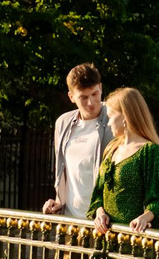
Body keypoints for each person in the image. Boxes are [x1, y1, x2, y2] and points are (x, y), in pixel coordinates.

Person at [87, 88, 159, 233]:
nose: (108, 123)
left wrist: (144, 218)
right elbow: (98, 194)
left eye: (110, 116)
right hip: (105, 239)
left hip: (132, 241)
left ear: (125, 116)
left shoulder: (149, 151)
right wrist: (100, 213)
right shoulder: (111, 147)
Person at [43, 63, 114, 221]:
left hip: (104, 221)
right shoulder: (63, 123)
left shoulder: (114, 118)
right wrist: (59, 201)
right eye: (83, 97)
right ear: (71, 97)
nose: (91, 102)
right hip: (72, 221)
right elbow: (65, 169)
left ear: (101, 88)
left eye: (95, 94)